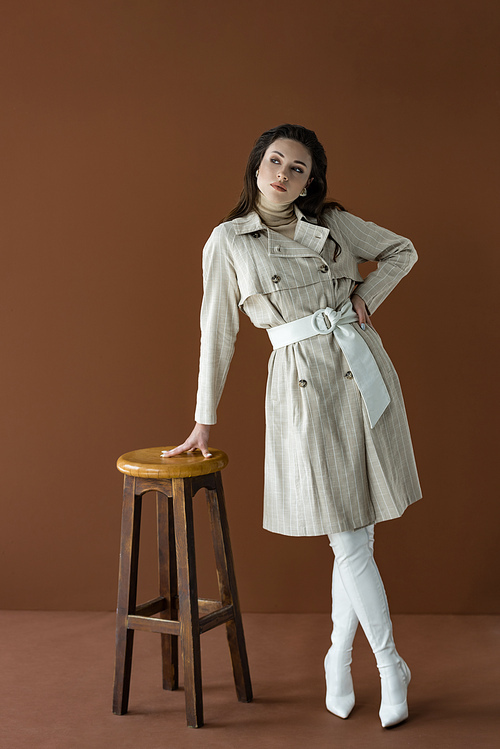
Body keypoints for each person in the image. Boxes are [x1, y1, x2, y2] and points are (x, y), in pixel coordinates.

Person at [164, 124, 422, 728]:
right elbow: (217, 336)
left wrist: (368, 297)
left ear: (310, 181)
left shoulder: (330, 222)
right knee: (348, 532)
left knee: (355, 533)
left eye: (298, 168)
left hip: (362, 370)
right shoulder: (228, 241)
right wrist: (205, 420)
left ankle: (339, 657)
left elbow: (401, 251)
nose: (283, 174)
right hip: (302, 388)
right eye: (274, 161)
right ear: (256, 167)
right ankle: (388, 663)